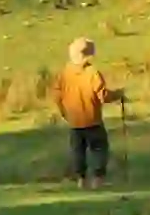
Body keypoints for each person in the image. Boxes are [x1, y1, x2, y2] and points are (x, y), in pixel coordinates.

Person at [51, 37, 125, 189]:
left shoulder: (64, 74)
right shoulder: (92, 73)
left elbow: (57, 97)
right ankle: (98, 180)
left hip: (74, 122)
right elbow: (103, 96)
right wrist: (118, 94)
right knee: (99, 149)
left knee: (78, 152)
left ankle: (81, 180)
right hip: (93, 120)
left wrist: (64, 113)